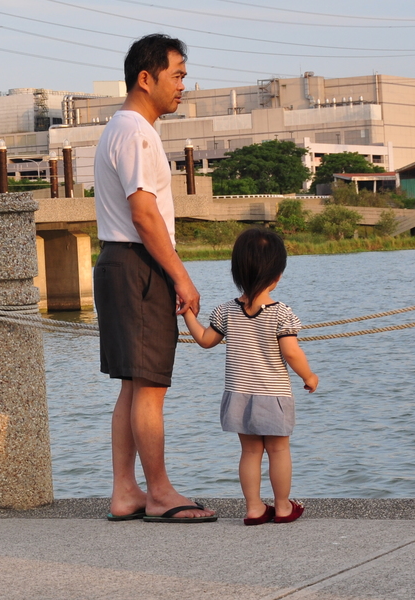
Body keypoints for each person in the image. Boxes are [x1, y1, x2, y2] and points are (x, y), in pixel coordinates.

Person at [93, 34, 216, 524]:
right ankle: (160, 492)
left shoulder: (121, 128)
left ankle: (127, 491)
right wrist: (180, 276)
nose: (185, 85)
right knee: (149, 388)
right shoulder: (138, 133)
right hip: (138, 265)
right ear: (146, 78)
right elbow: (144, 215)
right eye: (178, 74)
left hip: (119, 264)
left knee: (133, 384)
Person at [181, 227, 319, 525]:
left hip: (239, 395)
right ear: (277, 275)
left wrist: (188, 315)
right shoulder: (282, 314)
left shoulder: (226, 311)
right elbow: (292, 352)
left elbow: (205, 340)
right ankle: (282, 506)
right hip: (274, 395)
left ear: (237, 271)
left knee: (250, 453)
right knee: (279, 450)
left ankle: (254, 508)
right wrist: (309, 376)